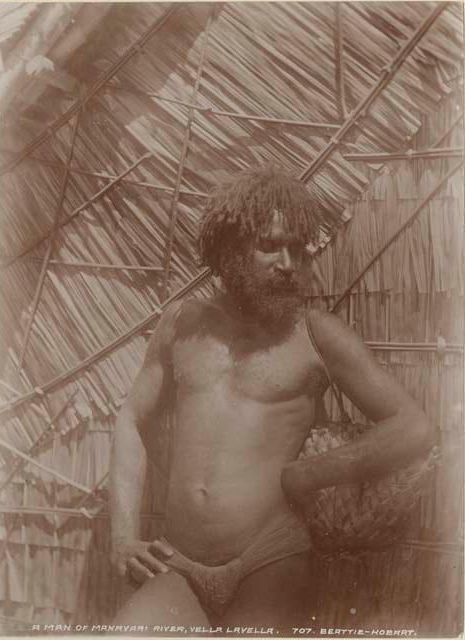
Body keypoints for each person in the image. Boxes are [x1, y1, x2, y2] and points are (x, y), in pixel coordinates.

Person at [109, 166, 433, 631]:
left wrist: (308, 474)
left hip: (270, 559)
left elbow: (413, 426)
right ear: (228, 249)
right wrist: (122, 538)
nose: (288, 263)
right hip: (177, 561)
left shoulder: (317, 335)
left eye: (298, 250)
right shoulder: (182, 323)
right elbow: (131, 419)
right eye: (270, 246)